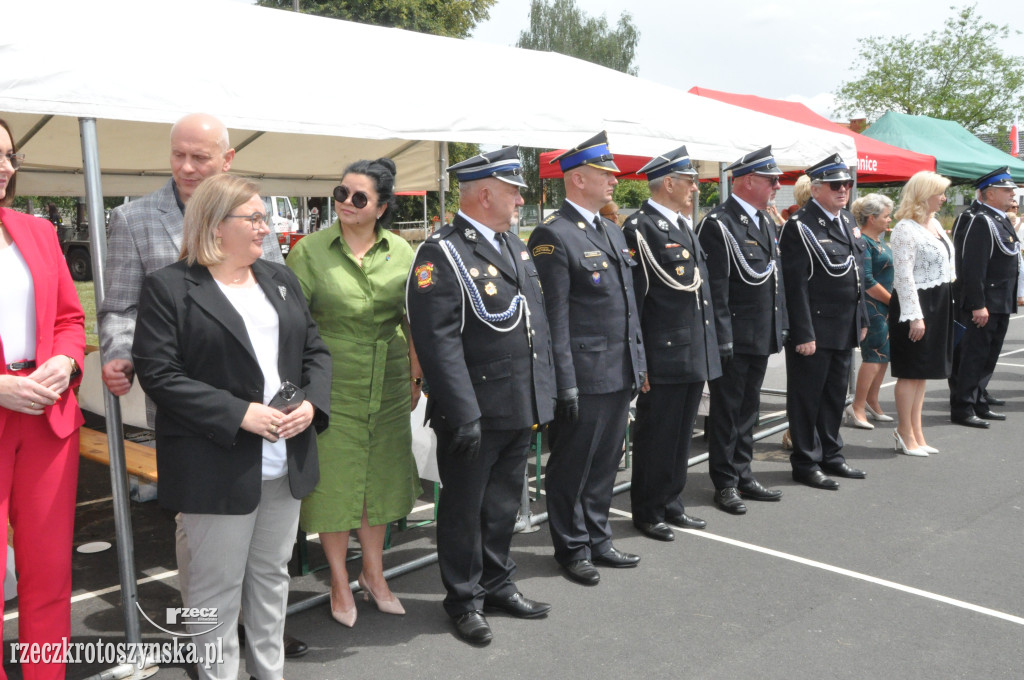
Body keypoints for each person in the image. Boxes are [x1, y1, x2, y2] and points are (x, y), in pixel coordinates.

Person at [95, 113, 306, 657]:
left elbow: (277, 303)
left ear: (226, 160)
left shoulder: (252, 214)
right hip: (193, 415)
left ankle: (243, 636)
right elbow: (119, 306)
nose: (187, 167)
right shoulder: (134, 219)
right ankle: (204, 643)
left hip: (268, 421)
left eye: (200, 157)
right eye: (178, 155)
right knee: (200, 543)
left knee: (260, 555)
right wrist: (120, 355)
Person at [131, 174, 331, 680]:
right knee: (214, 593)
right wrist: (239, 413)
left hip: (285, 461)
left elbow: (315, 352)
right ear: (218, 226)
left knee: (271, 581)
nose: (268, 227)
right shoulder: (170, 287)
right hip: (214, 465)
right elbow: (159, 375)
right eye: (256, 218)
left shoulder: (279, 279)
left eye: (265, 217)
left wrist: (310, 403)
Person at [407, 146, 556, 645]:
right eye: (514, 190)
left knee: (501, 507)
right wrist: (463, 412)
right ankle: (465, 599)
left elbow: (536, 327)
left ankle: (498, 584)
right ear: (486, 192)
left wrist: (546, 395)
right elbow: (438, 341)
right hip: (473, 411)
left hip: (516, 405)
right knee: (464, 511)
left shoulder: (514, 246)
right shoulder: (442, 252)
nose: (520, 200)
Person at [287, 158, 421, 626]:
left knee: (380, 478)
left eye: (358, 197)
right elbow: (294, 324)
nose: (345, 203)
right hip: (332, 382)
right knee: (336, 483)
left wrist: (416, 372)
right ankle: (340, 583)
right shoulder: (309, 251)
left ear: (381, 207)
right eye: (341, 193)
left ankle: (375, 574)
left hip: (387, 380)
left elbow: (412, 316)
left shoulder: (403, 252)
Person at [527, 131, 646, 586]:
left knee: (605, 462)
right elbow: (553, 318)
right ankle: (572, 547)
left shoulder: (611, 229)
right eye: (605, 174)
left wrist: (639, 362)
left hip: (618, 369)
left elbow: (627, 307)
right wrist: (565, 382)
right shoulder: (553, 236)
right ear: (577, 180)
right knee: (572, 465)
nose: (614, 181)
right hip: (584, 372)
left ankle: (598, 536)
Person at [0, 118, 85, 680]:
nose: (5, 167)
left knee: (49, 573)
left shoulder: (37, 230)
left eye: (9, 155)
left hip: (47, 416)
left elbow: (70, 319)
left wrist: (65, 360)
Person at [623, 146, 719, 539]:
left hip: (691, 349)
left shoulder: (680, 224)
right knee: (657, 435)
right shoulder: (640, 228)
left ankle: (671, 502)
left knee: (681, 436)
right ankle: (648, 510)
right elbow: (637, 301)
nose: (695, 189)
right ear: (669, 183)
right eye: (690, 182)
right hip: (664, 352)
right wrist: (640, 360)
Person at [696, 146, 787, 514]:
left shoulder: (764, 221)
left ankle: (743, 472)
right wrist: (723, 338)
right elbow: (714, 289)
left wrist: (779, 327)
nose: (777, 186)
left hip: (759, 333)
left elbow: (773, 282)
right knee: (727, 411)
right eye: (771, 180)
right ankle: (725, 482)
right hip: (733, 336)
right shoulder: (718, 223)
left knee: (749, 409)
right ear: (748, 181)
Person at [780, 154, 868, 491]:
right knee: (807, 398)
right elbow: (795, 284)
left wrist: (860, 318)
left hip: (843, 326)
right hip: (814, 328)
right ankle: (805, 461)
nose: (844, 190)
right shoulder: (800, 225)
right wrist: (802, 331)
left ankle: (831, 454)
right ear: (816, 189)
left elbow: (857, 275)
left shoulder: (846, 221)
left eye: (847, 184)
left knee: (834, 396)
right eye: (836, 185)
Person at [887, 172, 954, 455]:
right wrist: (915, 315)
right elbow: (903, 276)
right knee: (910, 371)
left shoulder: (935, 223)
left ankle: (917, 433)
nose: (944, 198)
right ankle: (905, 434)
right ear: (924, 194)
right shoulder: (905, 228)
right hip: (915, 304)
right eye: (940, 192)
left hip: (937, 302)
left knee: (922, 372)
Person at [949, 167, 1021, 428]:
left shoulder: (1000, 218)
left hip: (1001, 300)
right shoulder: (982, 220)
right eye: (1006, 189)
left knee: (989, 356)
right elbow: (973, 267)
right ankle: (963, 407)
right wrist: (978, 303)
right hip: (987, 302)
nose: (1012, 192)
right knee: (974, 356)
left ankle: (978, 401)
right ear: (990, 193)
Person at [846, 193, 895, 429]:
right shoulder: (863, 242)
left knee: (884, 355)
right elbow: (866, 280)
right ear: (871, 218)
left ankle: (872, 401)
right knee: (874, 356)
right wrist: (893, 301)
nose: (889, 219)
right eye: (886, 216)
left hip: (884, 306)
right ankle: (857, 406)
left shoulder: (878, 241)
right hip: (873, 307)